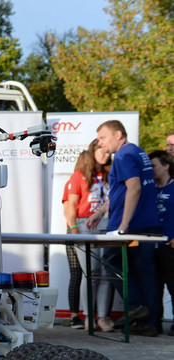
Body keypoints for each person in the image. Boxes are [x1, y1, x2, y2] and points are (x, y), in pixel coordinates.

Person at [88, 120, 161, 336]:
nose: (100, 144)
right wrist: (101, 211)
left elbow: (134, 188)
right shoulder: (138, 152)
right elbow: (122, 192)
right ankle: (149, 323)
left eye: (103, 138)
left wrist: (124, 225)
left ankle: (136, 307)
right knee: (143, 271)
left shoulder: (122, 155)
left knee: (110, 260)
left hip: (131, 226)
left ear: (118, 134)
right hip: (143, 224)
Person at [63, 140, 113, 332]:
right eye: (101, 150)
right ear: (93, 151)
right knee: (91, 273)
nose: (105, 154)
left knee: (107, 273)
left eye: (108, 151)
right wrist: (74, 229)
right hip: (85, 226)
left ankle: (102, 317)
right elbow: (69, 206)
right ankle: (88, 316)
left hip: (108, 225)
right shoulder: (79, 175)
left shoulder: (111, 175)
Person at [148, 150, 174, 336]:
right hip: (151, 246)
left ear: (166, 166)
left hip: (170, 245)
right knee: (153, 287)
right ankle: (153, 323)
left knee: (173, 286)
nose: (152, 170)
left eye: (154, 166)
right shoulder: (150, 189)